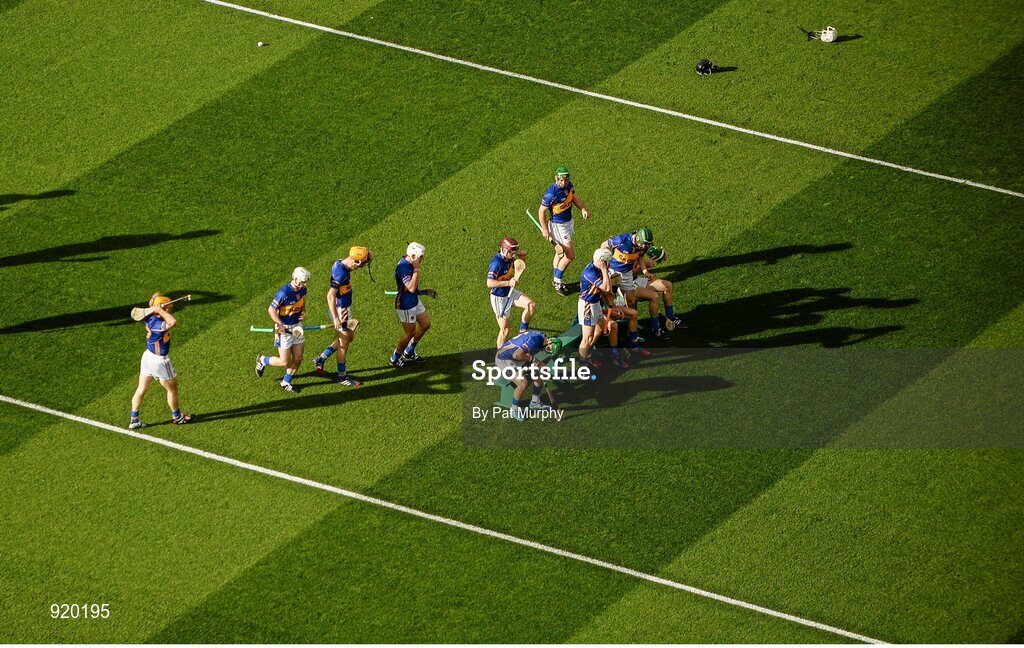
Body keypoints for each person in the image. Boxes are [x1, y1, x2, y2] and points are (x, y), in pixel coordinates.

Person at [129, 293, 193, 429]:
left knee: (141, 388)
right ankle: (178, 417)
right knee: (172, 389)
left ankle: (134, 419)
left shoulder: (148, 315)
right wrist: (160, 309)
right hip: (159, 361)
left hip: (147, 357)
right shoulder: (158, 323)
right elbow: (172, 322)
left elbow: (154, 296)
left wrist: (155, 304)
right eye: (169, 309)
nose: (170, 310)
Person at [313, 246, 373, 387]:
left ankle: (320, 359)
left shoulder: (340, 262)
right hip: (341, 310)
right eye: (362, 262)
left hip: (344, 308)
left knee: (349, 337)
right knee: (343, 344)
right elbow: (330, 296)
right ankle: (342, 377)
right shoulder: (341, 274)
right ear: (356, 261)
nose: (363, 265)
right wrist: (336, 318)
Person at [255, 267, 310, 393]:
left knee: (298, 357)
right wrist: (279, 324)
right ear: (295, 279)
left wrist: (303, 312)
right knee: (285, 361)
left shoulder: (303, 289)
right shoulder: (284, 293)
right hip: (283, 329)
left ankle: (285, 382)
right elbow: (271, 309)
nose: (304, 284)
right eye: (303, 281)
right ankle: (263, 360)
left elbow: (302, 300)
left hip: (297, 327)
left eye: (306, 282)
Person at [601, 227, 654, 355]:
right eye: (644, 244)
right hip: (613, 273)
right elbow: (603, 245)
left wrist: (645, 271)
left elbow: (640, 257)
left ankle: (632, 337)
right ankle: (610, 328)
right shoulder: (620, 239)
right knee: (610, 300)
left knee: (631, 301)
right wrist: (605, 265)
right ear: (638, 238)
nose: (644, 247)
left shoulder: (642, 246)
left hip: (627, 274)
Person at [538, 166, 590, 295]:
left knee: (560, 253)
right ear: (556, 178)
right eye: (560, 180)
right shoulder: (551, 193)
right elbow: (541, 212)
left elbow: (574, 198)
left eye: (565, 180)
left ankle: (556, 279)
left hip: (567, 223)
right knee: (570, 255)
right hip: (558, 226)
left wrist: (583, 209)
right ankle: (557, 281)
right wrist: (545, 229)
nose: (563, 182)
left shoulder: (568, 186)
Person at [495, 331, 560, 420]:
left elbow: (525, 348)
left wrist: (535, 363)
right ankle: (514, 409)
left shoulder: (541, 337)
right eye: (547, 350)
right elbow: (517, 354)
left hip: (515, 357)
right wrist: (535, 361)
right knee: (523, 383)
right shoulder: (536, 340)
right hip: (504, 358)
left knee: (537, 373)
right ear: (549, 344)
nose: (546, 352)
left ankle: (535, 401)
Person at [391, 242, 436, 367]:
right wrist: (416, 269)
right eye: (421, 257)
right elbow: (410, 288)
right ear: (413, 255)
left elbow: (412, 289)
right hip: (405, 305)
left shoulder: (409, 263)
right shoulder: (403, 267)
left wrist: (424, 292)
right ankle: (395, 358)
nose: (422, 259)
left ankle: (409, 351)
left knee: (426, 324)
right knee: (409, 333)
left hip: (414, 300)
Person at [487, 236, 535, 348]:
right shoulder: (496, 263)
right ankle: (499, 357)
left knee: (531, 305)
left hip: (510, 292)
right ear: (504, 250)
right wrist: (508, 283)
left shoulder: (509, 259)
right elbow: (489, 283)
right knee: (505, 330)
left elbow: (517, 267)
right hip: (499, 297)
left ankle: (522, 332)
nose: (514, 255)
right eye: (512, 253)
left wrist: (522, 260)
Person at [632, 245, 684, 339]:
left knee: (667, 285)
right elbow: (627, 274)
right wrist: (645, 267)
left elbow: (641, 257)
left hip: (637, 280)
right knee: (654, 296)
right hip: (627, 286)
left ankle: (670, 317)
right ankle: (656, 329)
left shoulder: (637, 248)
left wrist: (659, 255)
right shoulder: (624, 253)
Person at [578, 248, 616, 369]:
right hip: (588, 305)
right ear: (602, 262)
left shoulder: (598, 269)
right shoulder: (590, 272)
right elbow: (605, 287)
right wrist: (605, 270)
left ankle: (587, 352)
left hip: (596, 303)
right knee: (587, 337)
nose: (609, 264)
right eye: (607, 262)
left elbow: (608, 288)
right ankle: (583, 363)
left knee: (600, 327)